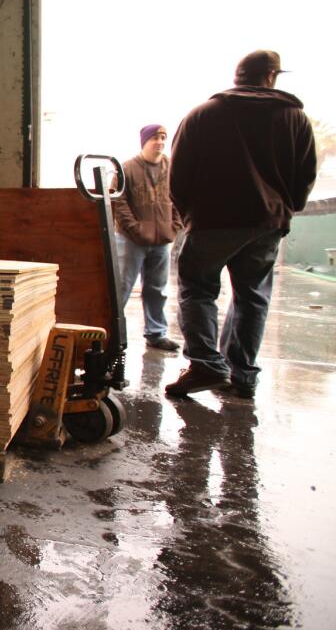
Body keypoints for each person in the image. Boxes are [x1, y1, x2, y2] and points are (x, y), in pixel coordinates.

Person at [165, 50, 317, 399]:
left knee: (198, 289)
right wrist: (283, 209)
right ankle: (242, 375)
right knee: (252, 296)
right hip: (266, 222)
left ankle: (206, 364)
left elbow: (179, 175)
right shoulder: (294, 119)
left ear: (238, 76)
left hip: (211, 222)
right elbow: (305, 174)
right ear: (271, 76)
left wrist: (191, 215)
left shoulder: (204, 114)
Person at [113, 123, 183, 352]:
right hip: (131, 240)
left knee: (157, 289)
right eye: (155, 138)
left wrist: (174, 227)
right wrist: (134, 228)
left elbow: (181, 198)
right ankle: (111, 331)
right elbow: (118, 201)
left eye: (163, 138)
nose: (160, 142)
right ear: (144, 142)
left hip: (162, 240)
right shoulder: (127, 169)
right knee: (121, 286)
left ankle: (156, 333)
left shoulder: (172, 168)